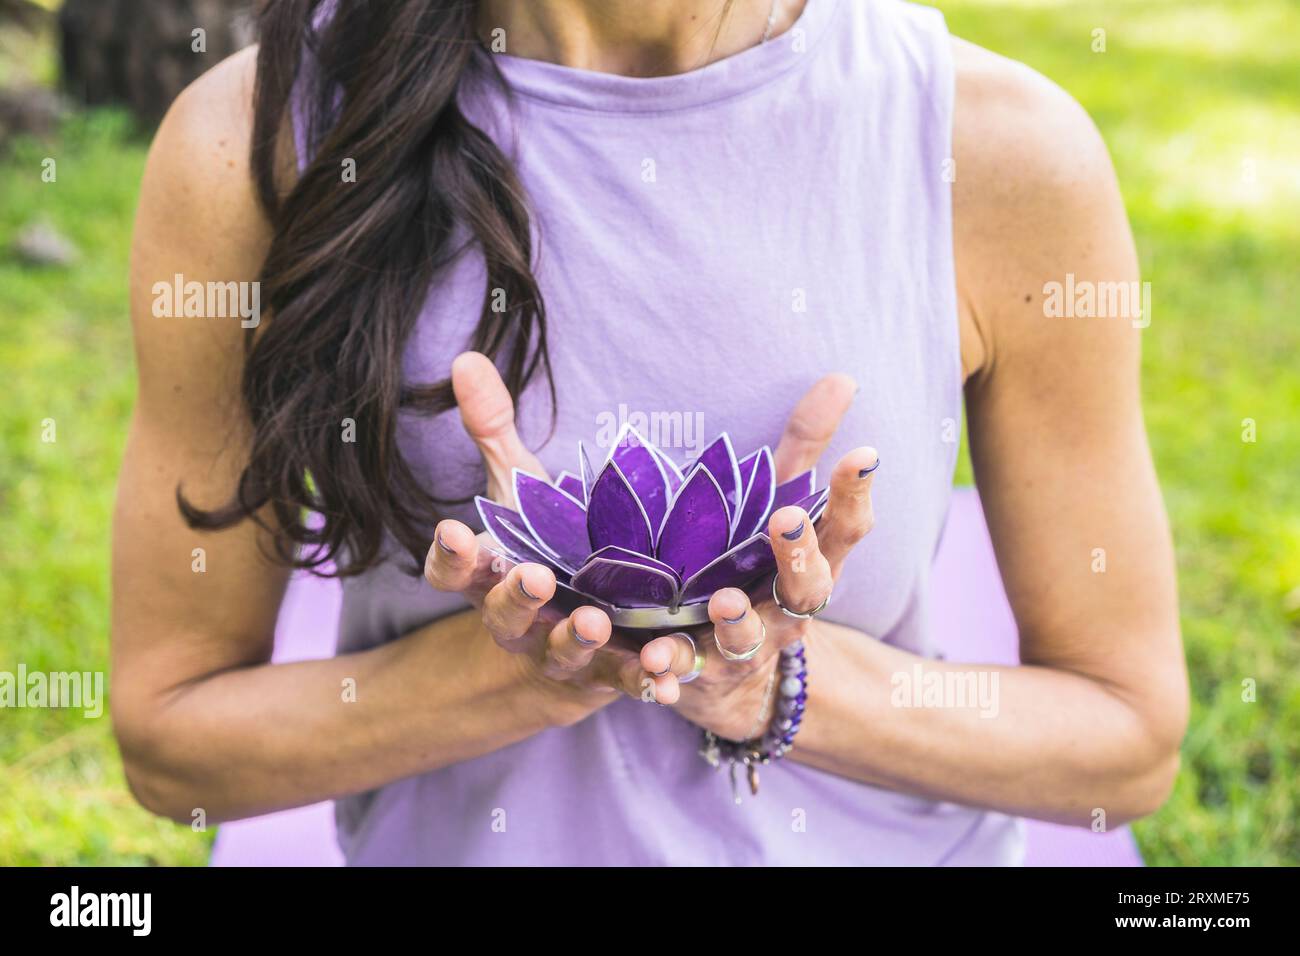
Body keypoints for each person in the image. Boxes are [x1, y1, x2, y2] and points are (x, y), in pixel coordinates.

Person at [112, 0, 1187, 865]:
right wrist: (533, 669)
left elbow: (1121, 743)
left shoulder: (994, 147)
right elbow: (174, 744)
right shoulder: (262, 140)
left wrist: (763, 680)